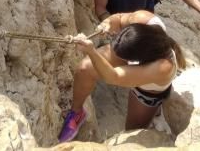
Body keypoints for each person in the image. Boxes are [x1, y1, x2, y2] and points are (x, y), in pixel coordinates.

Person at [58, 10, 185, 143]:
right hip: (138, 54)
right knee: (85, 68)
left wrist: (91, 51)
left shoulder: (163, 67)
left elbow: (113, 77)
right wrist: (107, 23)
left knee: (132, 131)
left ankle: (156, 110)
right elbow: (118, 19)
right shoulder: (143, 18)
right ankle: (77, 112)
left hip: (147, 93)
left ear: (138, 59)